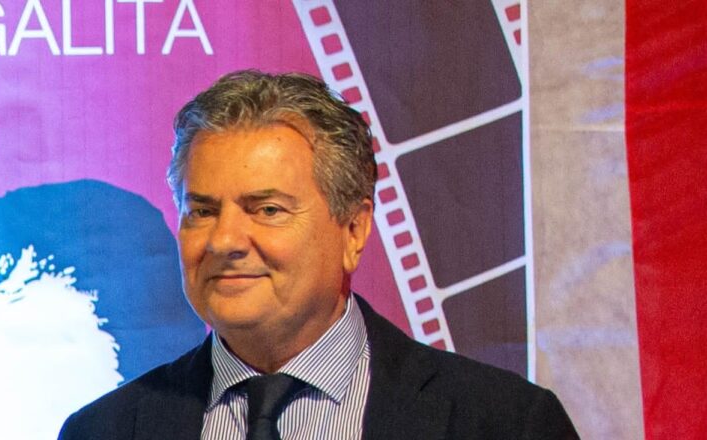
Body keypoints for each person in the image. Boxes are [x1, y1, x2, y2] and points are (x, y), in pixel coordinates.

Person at [58, 70, 578, 439]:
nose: (224, 241)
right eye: (203, 211)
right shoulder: (103, 431)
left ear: (353, 229)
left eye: (266, 209)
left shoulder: (503, 424)